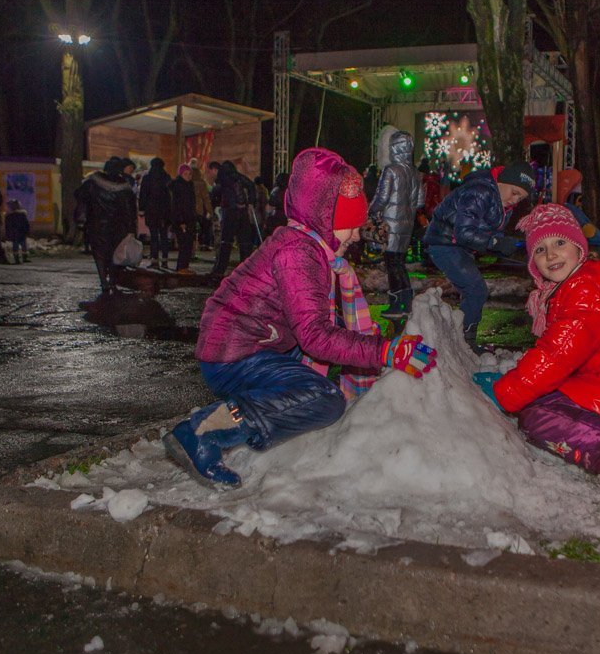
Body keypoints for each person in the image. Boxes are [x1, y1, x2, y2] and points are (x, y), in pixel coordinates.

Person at [165, 147, 438, 487]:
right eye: (348, 227)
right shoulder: (299, 253)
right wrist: (383, 351)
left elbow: (312, 319)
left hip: (257, 343)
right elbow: (315, 335)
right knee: (323, 399)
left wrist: (369, 341)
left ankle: (246, 418)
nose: (355, 236)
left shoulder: (305, 244)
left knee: (315, 375)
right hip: (235, 354)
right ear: (325, 219)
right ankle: (202, 432)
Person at [472, 204, 600, 491]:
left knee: (538, 418)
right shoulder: (576, 283)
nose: (551, 254)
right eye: (540, 249)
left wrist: (506, 393)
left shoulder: (584, 290)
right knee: (548, 396)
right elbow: (559, 350)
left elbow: (556, 355)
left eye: (559, 242)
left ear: (579, 246)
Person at [423, 161, 533, 352]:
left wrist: (503, 245)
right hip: (444, 243)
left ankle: (462, 336)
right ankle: (463, 340)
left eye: (521, 198)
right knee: (476, 289)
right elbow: (464, 232)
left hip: (459, 246)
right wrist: (495, 243)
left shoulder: (501, 202)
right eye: (514, 192)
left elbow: (489, 231)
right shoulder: (480, 191)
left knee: (474, 290)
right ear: (502, 181)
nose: (515, 200)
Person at [369, 130, 425, 319]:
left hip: (391, 224)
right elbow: (419, 202)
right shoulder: (415, 173)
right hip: (407, 224)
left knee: (392, 264)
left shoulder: (391, 170)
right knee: (399, 263)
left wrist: (371, 211)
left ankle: (396, 304)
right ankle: (406, 301)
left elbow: (381, 197)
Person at [76, 156, 138, 295]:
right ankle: (112, 280)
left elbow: (79, 194)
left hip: (97, 225)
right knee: (115, 254)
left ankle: (103, 280)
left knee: (99, 254)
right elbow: (130, 209)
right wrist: (131, 229)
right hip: (118, 227)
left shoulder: (93, 181)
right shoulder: (124, 185)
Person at [210, 160, 257, 278]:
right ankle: (245, 270)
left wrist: (215, 205)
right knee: (244, 243)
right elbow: (251, 185)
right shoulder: (238, 177)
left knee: (226, 242)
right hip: (243, 212)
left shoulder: (222, 179)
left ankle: (220, 269)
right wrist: (250, 202)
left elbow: (215, 193)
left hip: (230, 212)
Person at [138, 157, 173, 269]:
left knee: (153, 237)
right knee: (163, 236)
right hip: (164, 212)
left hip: (151, 211)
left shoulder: (147, 178)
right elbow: (169, 196)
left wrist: (142, 209)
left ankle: (154, 261)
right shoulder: (167, 178)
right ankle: (165, 261)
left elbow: (143, 195)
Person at [169, 163, 196, 273]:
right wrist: (181, 221)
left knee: (188, 244)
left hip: (189, 219)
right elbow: (178, 205)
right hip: (182, 220)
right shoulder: (179, 187)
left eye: (190, 174)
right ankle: (181, 267)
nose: (188, 176)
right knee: (184, 244)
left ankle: (184, 266)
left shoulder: (189, 185)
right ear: (180, 174)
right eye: (185, 174)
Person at [192, 158, 215, 250]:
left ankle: (191, 249)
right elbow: (206, 198)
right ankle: (203, 244)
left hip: (188, 209)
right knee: (204, 227)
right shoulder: (202, 183)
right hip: (199, 209)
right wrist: (210, 211)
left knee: (191, 230)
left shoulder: (187, 183)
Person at [4, 198, 30, 263]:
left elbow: (7, 226)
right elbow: (26, 224)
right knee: (23, 246)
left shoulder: (9, 216)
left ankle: (17, 259)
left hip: (15, 234)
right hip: (21, 233)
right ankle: (24, 258)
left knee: (16, 246)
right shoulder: (22, 214)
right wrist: (27, 231)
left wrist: (8, 234)